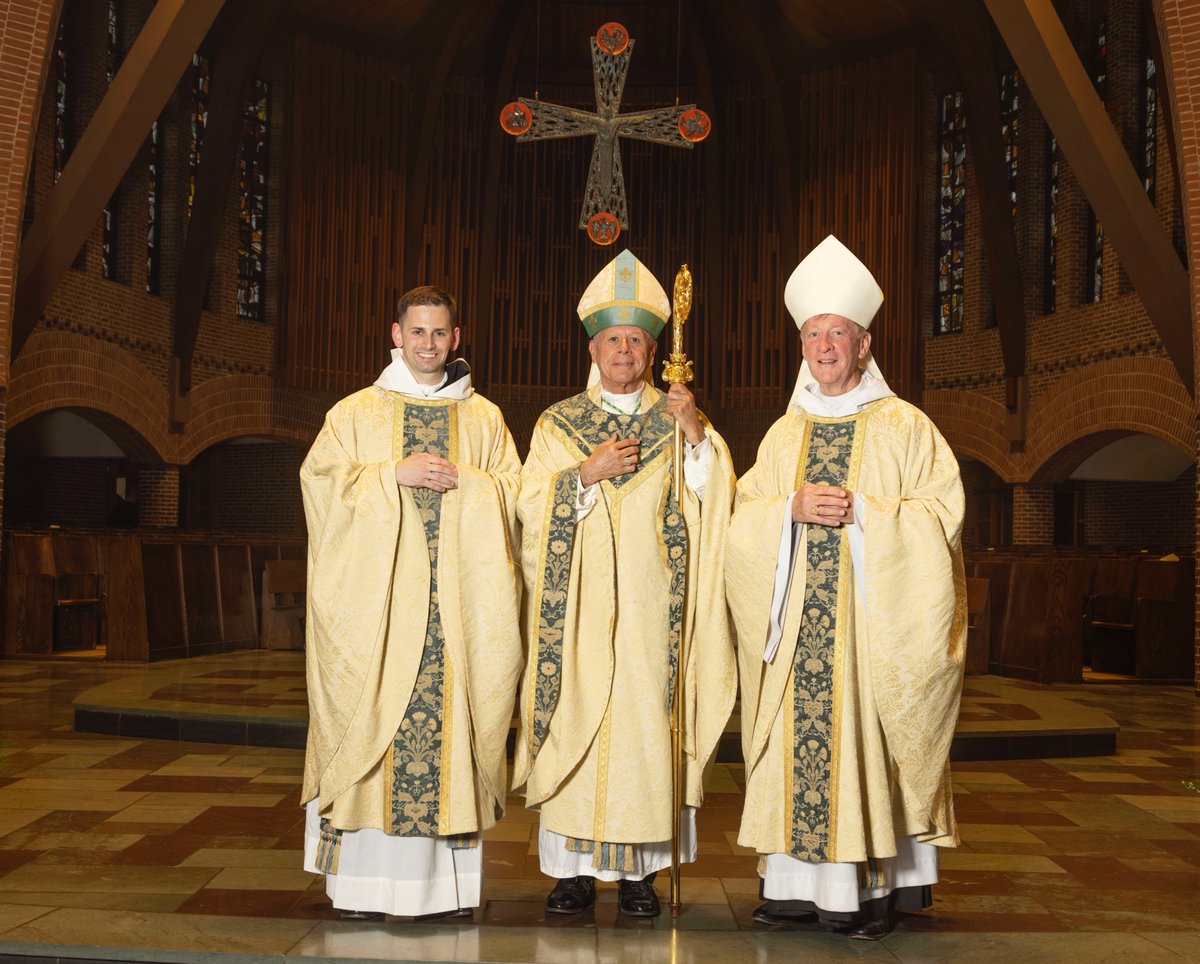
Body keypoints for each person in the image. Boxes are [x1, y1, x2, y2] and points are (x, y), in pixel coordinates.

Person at [725, 236, 967, 940]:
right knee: (798, 745)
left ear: (865, 345)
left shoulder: (905, 427)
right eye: (812, 333)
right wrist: (787, 511)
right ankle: (796, 886)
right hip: (799, 634)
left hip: (871, 633)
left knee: (867, 737)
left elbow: (941, 517)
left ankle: (876, 887)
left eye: (838, 333)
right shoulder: (784, 434)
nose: (825, 345)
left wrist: (870, 515)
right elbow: (743, 521)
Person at [513, 249, 736, 918]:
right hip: (578, 612)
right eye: (613, 339)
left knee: (646, 734)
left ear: (653, 349)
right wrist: (584, 472)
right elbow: (529, 506)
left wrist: (694, 427)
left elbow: (714, 494)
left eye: (636, 340)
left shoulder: (676, 421)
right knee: (578, 726)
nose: (624, 351)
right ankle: (573, 873)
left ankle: (641, 876)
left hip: (652, 613)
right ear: (593, 346)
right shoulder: (557, 425)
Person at [300, 285, 523, 921]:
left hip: (455, 615)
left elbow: (516, 497)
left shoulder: (484, 420)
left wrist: (472, 484)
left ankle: (443, 891)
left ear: (456, 338)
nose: (428, 344)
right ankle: (364, 889)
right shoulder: (354, 415)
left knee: (448, 734)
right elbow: (320, 486)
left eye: (440, 333)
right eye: (417, 332)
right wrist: (388, 477)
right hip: (376, 616)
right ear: (395, 334)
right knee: (376, 727)